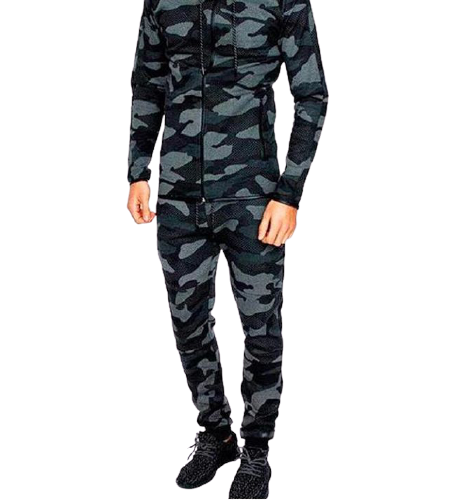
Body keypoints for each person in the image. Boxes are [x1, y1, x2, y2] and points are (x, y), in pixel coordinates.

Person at [126, 0, 328, 497]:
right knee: (187, 327)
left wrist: (289, 194)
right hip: (177, 199)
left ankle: (256, 452)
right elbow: (146, 84)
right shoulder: (160, 2)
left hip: (254, 199)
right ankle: (214, 434)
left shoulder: (284, 1)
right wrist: (138, 172)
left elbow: (312, 96)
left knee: (261, 332)